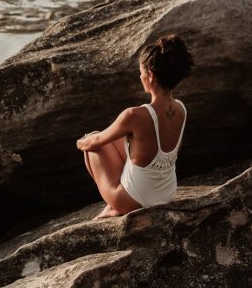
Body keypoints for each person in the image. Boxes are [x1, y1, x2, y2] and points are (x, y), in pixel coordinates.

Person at [76, 34, 194, 219]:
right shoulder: (181, 109)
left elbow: (95, 142)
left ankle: (114, 206)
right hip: (166, 194)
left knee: (92, 145)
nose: (140, 76)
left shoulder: (134, 115)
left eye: (141, 72)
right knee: (121, 142)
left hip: (133, 201)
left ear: (151, 75)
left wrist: (81, 142)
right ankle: (118, 201)